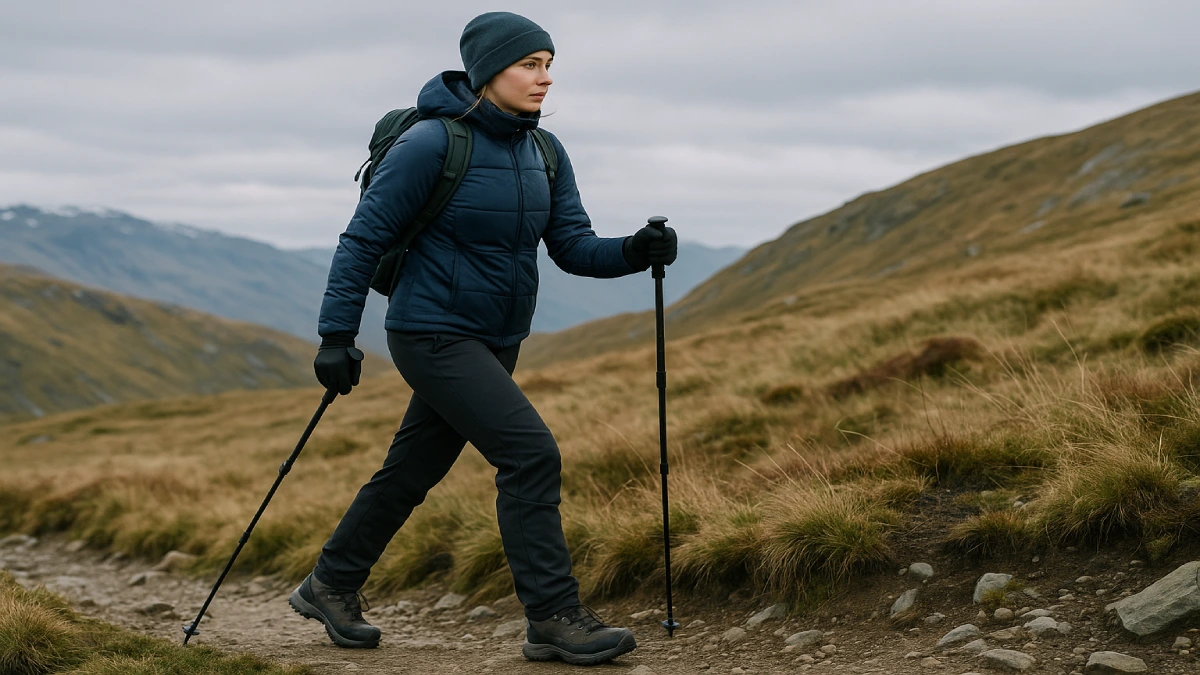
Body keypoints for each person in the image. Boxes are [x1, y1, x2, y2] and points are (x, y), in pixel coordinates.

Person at [287, 11, 678, 666]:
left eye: (550, 65)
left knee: (413, 467)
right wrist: (336, 334)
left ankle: (331, 581)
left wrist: (637, 250)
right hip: (430, 331)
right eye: (530, 64)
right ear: (488, 70)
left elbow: (575, 248)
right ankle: (552, 617)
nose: (544, 78)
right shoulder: (432, 145)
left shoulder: (544, 152)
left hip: (497, 337)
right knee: (530, 454)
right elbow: (363, 239)